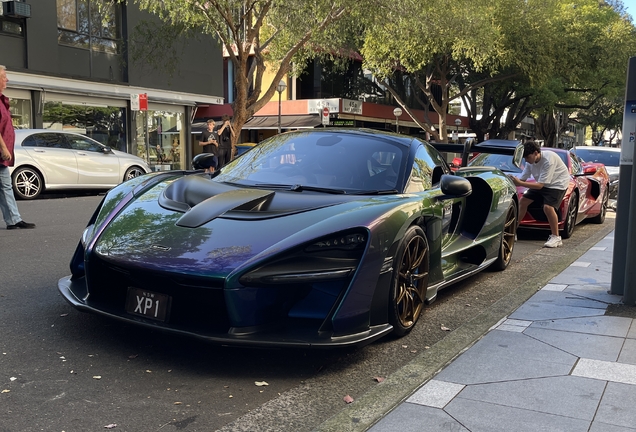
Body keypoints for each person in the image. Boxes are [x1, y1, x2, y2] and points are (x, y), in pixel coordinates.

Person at [510, 141, 569, 248]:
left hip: (557, 184)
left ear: (536, 153)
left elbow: (540, 186)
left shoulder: (548, 160)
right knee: (523, 201)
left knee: (548, 207)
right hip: (542, 183)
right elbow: (523, 178)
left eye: (528, 157)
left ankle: (556, 237)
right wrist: (513, 180)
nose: (526, 160)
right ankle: (513, 232)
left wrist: (520, 183)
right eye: (525, 158)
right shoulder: (530, 162)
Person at [0, 65, 35, 230]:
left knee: (5, 186)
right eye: (4, 76)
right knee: (4, 186)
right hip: (1, 151)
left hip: (1, 155)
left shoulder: (2, 100)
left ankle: (13, 219)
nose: (7, 79)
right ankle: (13, 219)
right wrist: (3, 148)